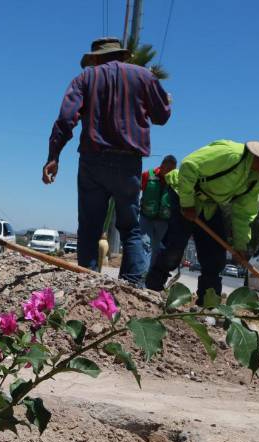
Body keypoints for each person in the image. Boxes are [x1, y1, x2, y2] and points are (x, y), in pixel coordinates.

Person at [42, 37, 172, 285]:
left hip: (93, 161)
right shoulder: (144, 77)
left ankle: (88, 283)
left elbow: (66, 118)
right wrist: (168, 104)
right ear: (122, 55)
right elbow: (162, 116)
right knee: (131, 228)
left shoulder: (85, 78)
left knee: (90, 227)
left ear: (96, 58)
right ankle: (132, 286)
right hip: (128, 164)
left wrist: (53, 156)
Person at [144, 134, 259, 298]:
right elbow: (189, 166)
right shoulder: (231, 155)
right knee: (174, 249)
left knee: (215, 257)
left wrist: (240, 246)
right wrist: (187, 203)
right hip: (183, 191)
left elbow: (244, 212)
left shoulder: (258, 179)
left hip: (209, 204)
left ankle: (208, 302)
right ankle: (152, 289)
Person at [140, 154, 177, 269]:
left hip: (163, 220)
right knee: (145, 243)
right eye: (167, 169)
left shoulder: (175, 181)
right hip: (146, 217)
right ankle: (142, 275)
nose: (169, 173)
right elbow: (136, 189)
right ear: (162, 166)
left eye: (172, 170)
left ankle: (150, 274)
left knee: (155, 248)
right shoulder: (147, 175)